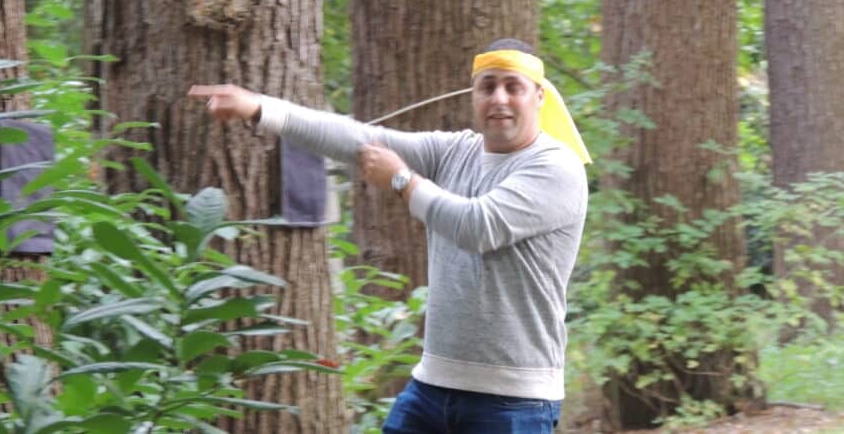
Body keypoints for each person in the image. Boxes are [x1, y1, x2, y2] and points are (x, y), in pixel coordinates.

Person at [189, 38, 589, 433]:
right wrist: (260, 107)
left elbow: (478, 227)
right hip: (432, 386)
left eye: (513, 86)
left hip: (514, 399)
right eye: (488, 86)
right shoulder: (455, 151)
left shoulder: (557, 168)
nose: (499, 98)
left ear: (538, 96)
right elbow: (359, 140)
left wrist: (402, 180)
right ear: (474, 95)